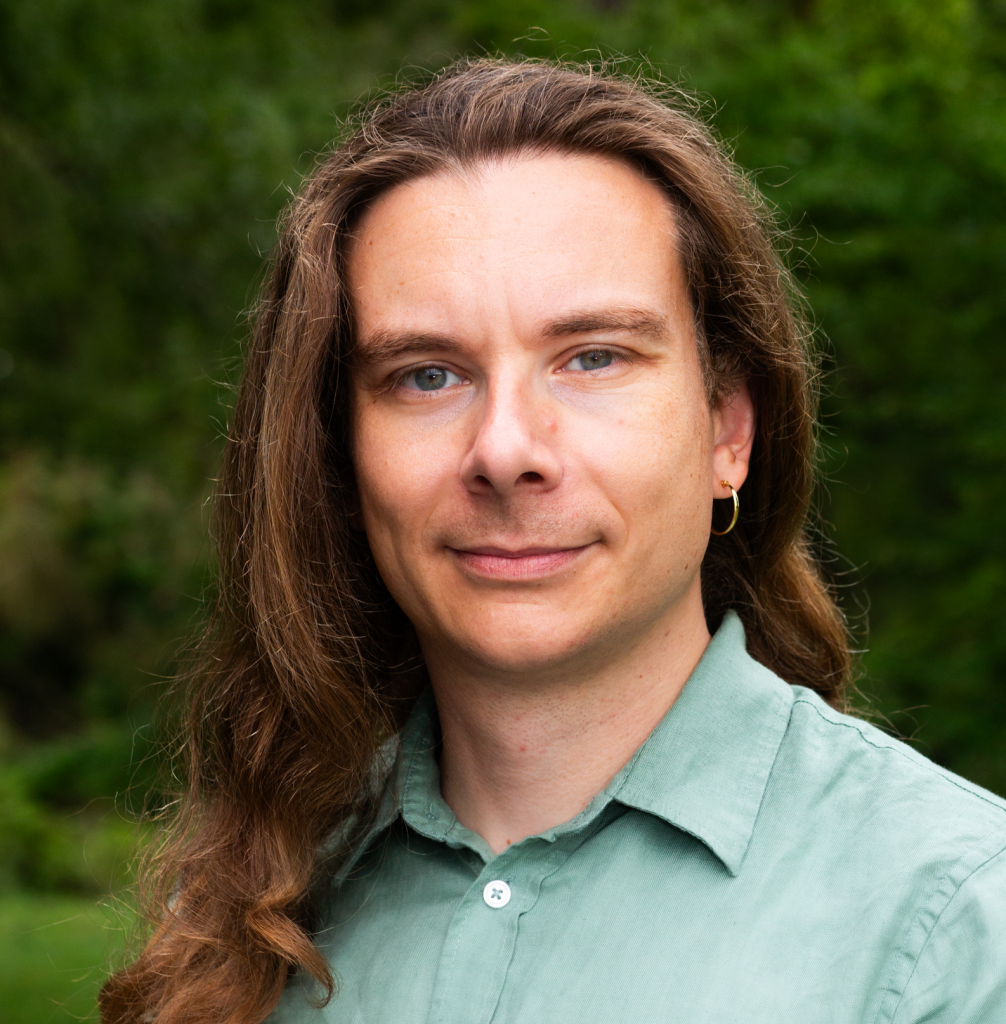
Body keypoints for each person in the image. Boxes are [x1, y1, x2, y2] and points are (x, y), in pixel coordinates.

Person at [101, 58, 1006, 1024]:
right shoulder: (244, 921)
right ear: (338, 452)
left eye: (593, 358)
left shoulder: (953, 925)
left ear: (729, 431)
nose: (504, 451)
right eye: (427, 375)